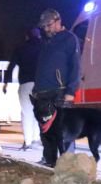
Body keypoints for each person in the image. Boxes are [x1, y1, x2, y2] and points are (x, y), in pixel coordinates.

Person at [33, 9, 81, 165]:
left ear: (58, 21)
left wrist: (70, 91)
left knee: (63, 130)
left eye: (49, 25)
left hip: (59, 91)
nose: (46, 29)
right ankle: (49, 160)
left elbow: (75, 67)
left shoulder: (69, 39)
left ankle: (67, 163)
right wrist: (36, 88)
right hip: (42, 92)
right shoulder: (45, 42)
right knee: (46, 130)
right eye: (44, 26)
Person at [4, 28, 42, 150]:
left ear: (27, 37)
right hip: (41, 85)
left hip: (26, 84)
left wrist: (6, 82)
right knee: (39, 111)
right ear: (39, 36)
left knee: (26, 112)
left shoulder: (21, 48)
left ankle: (28, 141)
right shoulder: (44, 47)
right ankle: (36, 139)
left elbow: (11, 66)